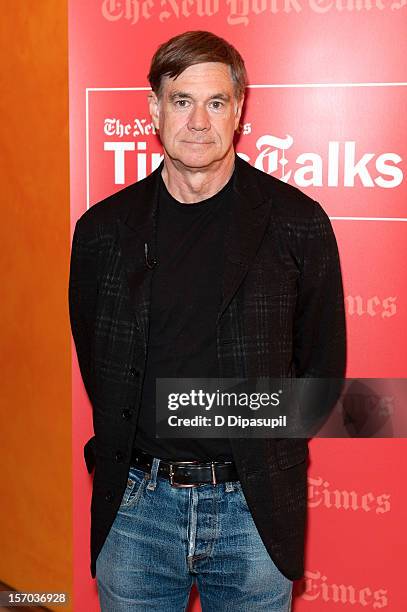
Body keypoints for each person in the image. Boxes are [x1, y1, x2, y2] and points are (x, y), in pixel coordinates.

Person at [69, 30, 346, 611]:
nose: (198, 120)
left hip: (253, 512)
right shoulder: (100, 233)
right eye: (181, 100)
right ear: (154, 109)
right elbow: (100, 364)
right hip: (135, 511)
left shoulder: (298, 224)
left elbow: (320, 370)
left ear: (239, 110)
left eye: (215, 102)